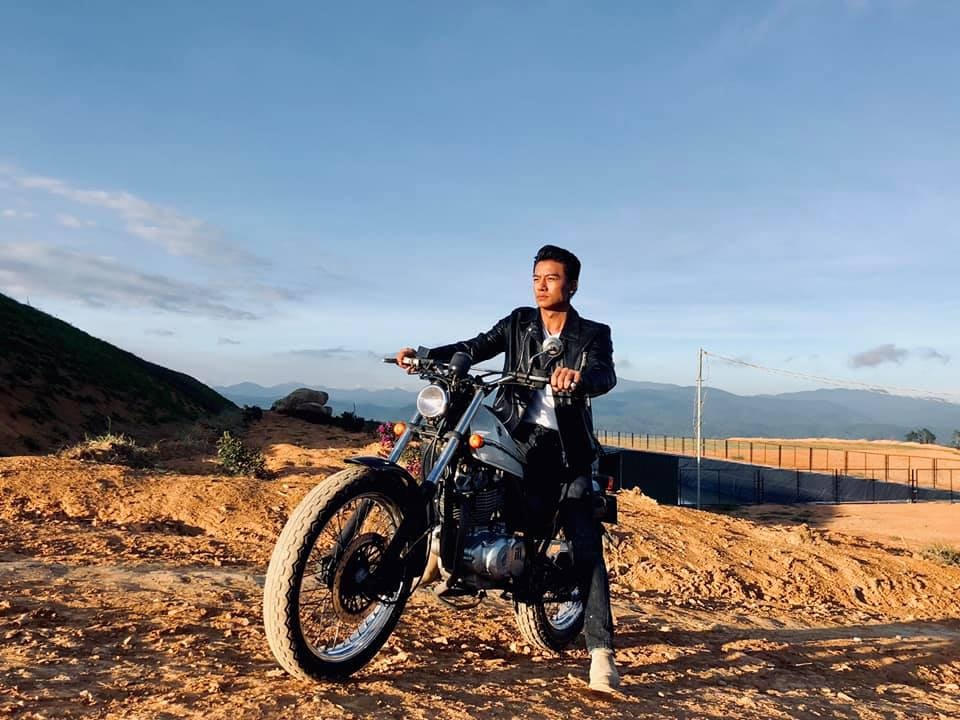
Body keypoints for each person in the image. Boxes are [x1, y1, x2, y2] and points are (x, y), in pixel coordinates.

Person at [393, 245, 620, 692]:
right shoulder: (520, 322)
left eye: (551, 278)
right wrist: (423, 354)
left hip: (565, 447)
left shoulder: (593, 333)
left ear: (572, 285)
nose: (541, 285)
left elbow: (604, 373)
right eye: (536, 277)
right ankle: (442, 544)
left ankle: (601, 652)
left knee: (584, 538)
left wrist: (578, 378)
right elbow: (475, 347)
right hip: (515, 432)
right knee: (459, 461)